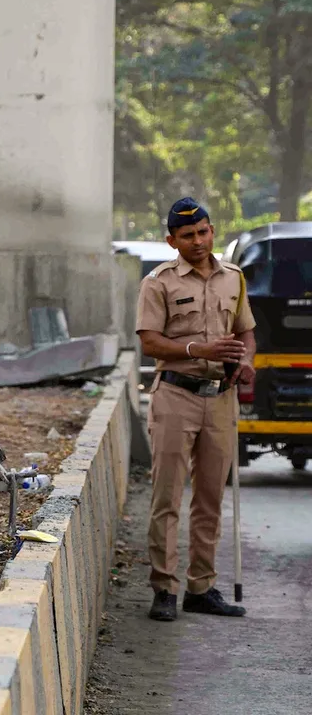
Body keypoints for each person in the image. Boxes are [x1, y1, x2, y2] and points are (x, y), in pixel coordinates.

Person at [137, 197, 255, 622]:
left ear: (212, 231)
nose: (198, 241)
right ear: (172, 240)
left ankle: (201, 587)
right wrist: (197, 348)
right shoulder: (158, 282)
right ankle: (164, 589)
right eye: (187, 235)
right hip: (175, 396)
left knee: (209, 499)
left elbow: (246, 333)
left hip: (220, 400)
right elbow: (149, 342)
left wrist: (246, 364)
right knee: (167, 496)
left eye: (203, 232)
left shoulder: (234, 280)